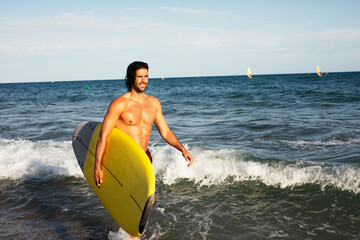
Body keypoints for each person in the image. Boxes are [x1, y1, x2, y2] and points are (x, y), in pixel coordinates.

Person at [94, 61, 193, 187]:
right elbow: (103, 136)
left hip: (145, 157)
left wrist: (182, 149)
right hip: (125, 159)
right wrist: (97, 166)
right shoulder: (119, 104)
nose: (144, 80)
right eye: (140, 77)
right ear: (131, 78)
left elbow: (165, 132)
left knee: (146, 200)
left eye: (146, 76)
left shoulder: (153, 102)